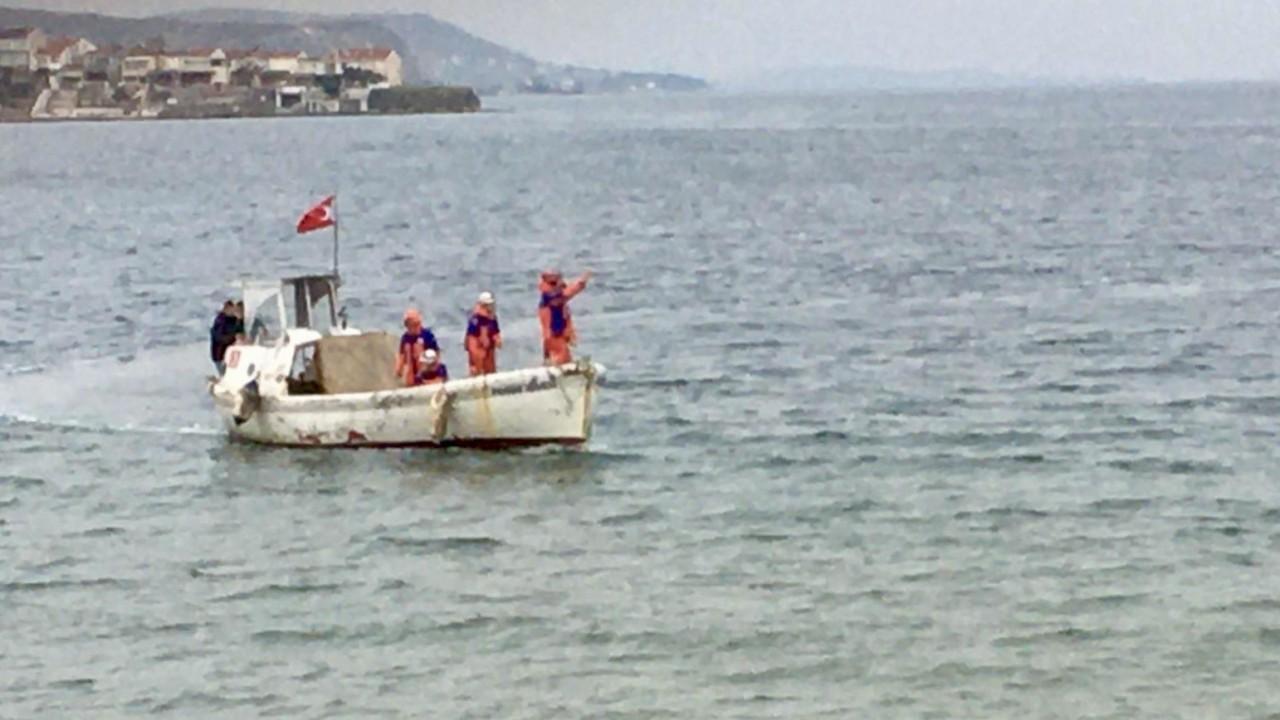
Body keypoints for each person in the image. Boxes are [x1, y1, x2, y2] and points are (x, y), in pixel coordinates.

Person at [538, 269, 591, 365]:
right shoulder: (550, 296)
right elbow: (568, 293)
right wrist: (581, 283)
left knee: (561, 353)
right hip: (554, 333)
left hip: (558, 333)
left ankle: (550, 363)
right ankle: (554, 365)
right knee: (561, 354)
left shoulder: (553, 296)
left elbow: (566, 292)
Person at [394, 307, 440, 386]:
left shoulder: (427, 335)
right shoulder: (405, 338)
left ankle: (423, 379)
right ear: (408, 326)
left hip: (426, 368)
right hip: (411, 371)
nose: (418, 327)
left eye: (419, 324)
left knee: (418, 348)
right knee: (408, 349)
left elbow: (436, 354)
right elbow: (401, 356)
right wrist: (398, 370)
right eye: (415, 325)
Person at [464, 291, 502, 376]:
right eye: (489, 305)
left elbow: (497, 337)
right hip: (479, 357)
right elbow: (471, 345)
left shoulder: (492, 319)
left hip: (489, 355)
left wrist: (497, 339)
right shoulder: (475, 322)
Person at [209, 300, 241, 374]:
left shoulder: (234, 319)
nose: (234, 311)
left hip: (231, 354)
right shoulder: (220, 321)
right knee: (226, 373)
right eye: (231, 309)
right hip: (220, 355)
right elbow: (219, 337)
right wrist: (234, 337)